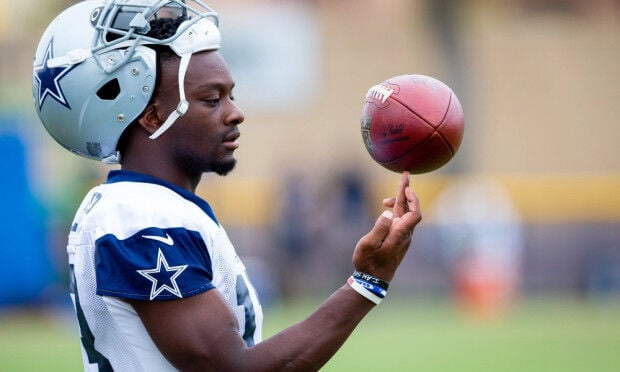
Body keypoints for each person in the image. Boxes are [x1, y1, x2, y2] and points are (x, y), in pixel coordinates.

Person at [32, 1, 422, 370]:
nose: (236, 113)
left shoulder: (145, 206)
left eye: (231, 95)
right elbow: (231, 367)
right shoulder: (139, 217)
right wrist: (367, 282)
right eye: (212, 99)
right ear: (151, 116)